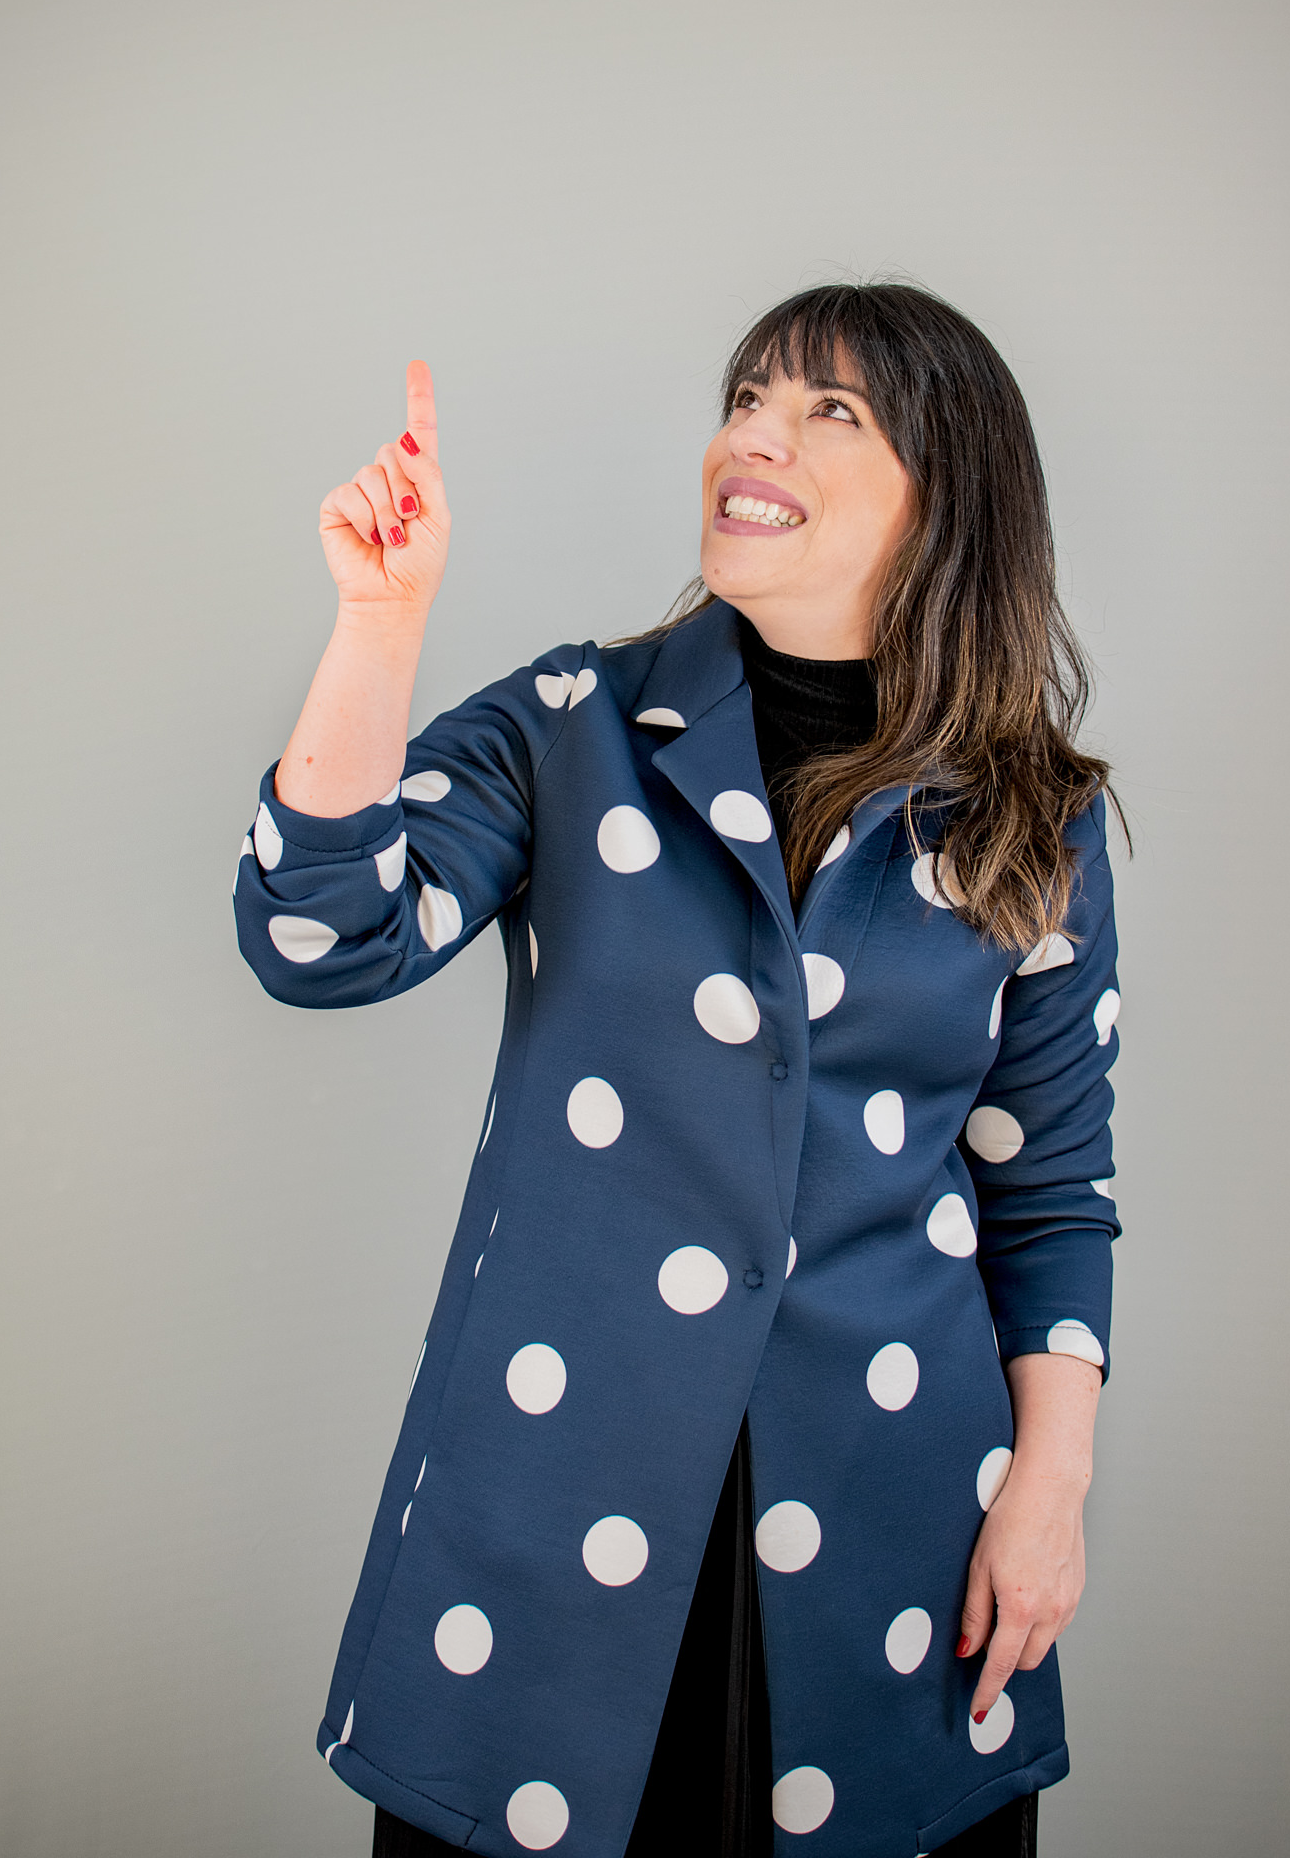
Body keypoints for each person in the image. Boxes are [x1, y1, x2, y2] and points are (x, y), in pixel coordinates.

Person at [234, 283, 1121, 1858]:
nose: (752, 436)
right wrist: (381, 623)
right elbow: (322, 936)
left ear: (947, 495)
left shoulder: (1030, 818)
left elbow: (1047, 1190)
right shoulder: (573, 723)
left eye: (828, 410)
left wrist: (1047, 1496)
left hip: (890, 1516)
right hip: (552, 1493)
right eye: (746, 397)